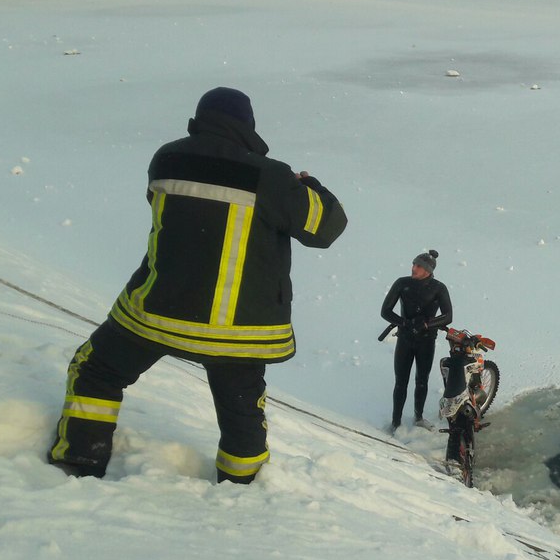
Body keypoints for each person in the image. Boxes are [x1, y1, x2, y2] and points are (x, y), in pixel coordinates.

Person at [46, 87, 348, 483]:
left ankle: (79, 459)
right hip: (238, 331)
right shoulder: (270, 176)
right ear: (248, 126)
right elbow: (326, 228)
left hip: (157, 314)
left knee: (96, 370)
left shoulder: (166, 158)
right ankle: (242, 486)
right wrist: (309, 185)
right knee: (242, 413)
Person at [380, 250, 452, 431]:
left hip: (426, 341)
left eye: (418, 266)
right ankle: (396, 422)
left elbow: (448, 316)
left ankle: (418, 417)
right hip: (405, 338)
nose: (413, 268)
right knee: (401, 381)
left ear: (428, 270)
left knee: (422, 380)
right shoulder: (402, 283)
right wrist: (406, 322)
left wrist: (427, 324)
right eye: (413, 264)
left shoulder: (438, 288)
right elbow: (385, 311)